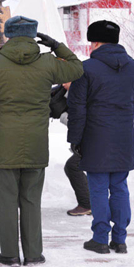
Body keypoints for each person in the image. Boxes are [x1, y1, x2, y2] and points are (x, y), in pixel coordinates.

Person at [0, 16, 83, 267]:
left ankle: (9, 255)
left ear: (7, 35)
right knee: (32, 200)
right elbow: (77, 68)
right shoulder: (48, 63)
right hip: (35, 143)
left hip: (2, 143)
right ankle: (34, 254)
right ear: (34, 36)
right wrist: (56, 45)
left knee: (8, 201)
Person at [67, 20, 134, 255]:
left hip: (95, 138)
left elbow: (77, 109)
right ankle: (120, 240)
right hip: (123, 139)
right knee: (120, 187)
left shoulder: (86, 69)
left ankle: (100, 239)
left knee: (99, 189)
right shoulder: (131, 67)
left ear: (94, 42)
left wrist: (75, 140)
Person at [50, 83, 91, 216]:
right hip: (90, 139)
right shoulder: (67, 93)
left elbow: (78, 121)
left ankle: (88, 204)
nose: (63, 84)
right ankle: (90, 203)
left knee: (73, 166)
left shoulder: (81, 94)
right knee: (74, 166)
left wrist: (62, 114)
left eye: (66, 81)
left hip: (94, 139)